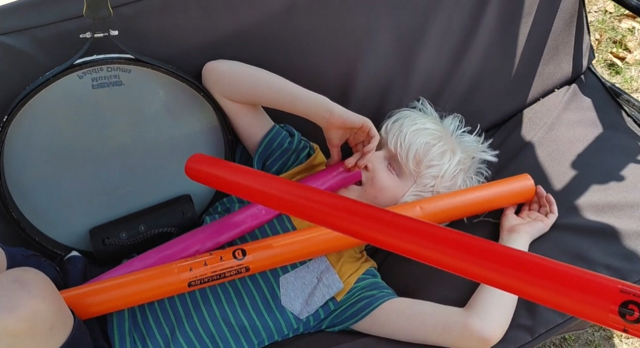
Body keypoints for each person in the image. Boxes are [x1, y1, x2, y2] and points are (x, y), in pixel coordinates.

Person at [0, 60, 558, 348]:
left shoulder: (347, 287)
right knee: (22, 285)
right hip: (82, 283)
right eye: (381, 145)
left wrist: (516, 242)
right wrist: (326, 113)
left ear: (420, 212)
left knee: (23, 302)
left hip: (97, 341)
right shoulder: (299, 167)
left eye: (391, 165)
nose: (368, 158)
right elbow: (220, 78)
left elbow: (475, 333)